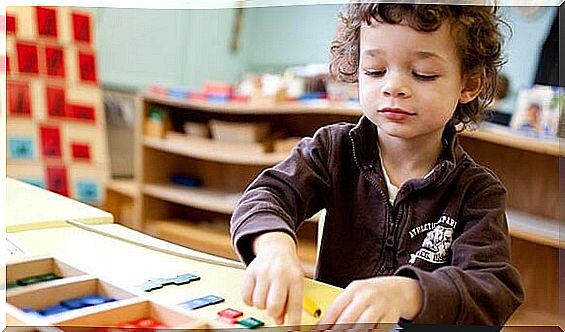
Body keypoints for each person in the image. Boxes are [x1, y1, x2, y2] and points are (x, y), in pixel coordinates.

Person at [230, 2, 524, 328]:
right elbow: (268, 194)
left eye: (423, 73)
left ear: (469, 84)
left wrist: (408, 294)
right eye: (374, 70)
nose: (392, 86)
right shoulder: (335, 150)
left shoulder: (477, 192)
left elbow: (492, 289)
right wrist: (273, 246)